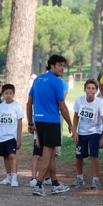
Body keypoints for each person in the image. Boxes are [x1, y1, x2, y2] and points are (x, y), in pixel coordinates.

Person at [27, 55, 72, 196]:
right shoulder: (57, 82)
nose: (62, 68)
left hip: (39, 121)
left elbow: (29, 103)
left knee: (51, 154)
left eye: (63, 66)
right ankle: (39, 185)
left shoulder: (38, 80)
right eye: (60, 65)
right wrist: (71, 124)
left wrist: (30, 122)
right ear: (51, 66)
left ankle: (55, 184)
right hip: (51, 122)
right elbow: (63, 106)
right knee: (47, 155)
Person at [71, 79, 103, 190]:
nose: (90, 91)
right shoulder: (80, 100)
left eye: (93, 89)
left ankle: (95, 180)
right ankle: (79, 178)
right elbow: (76, 116)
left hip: (95, 133)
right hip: (81, 133)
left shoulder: (100, 103)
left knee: (93, 155)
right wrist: (74, 132)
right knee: (79, 156)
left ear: (96, 91)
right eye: (88, 88)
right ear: (84, 89)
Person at [0, 84, 24, 187]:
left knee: (12, 155)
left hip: (12, 136)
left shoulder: (16, 106)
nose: (8, 95)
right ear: (2, 94)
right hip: (2, 136)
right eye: (6, 93)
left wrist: (19, 139)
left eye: (11, 93)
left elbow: (20, 122)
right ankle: (8, 177)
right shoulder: (1, 106)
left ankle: (14, 178)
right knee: (5, 156)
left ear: (13, 94)